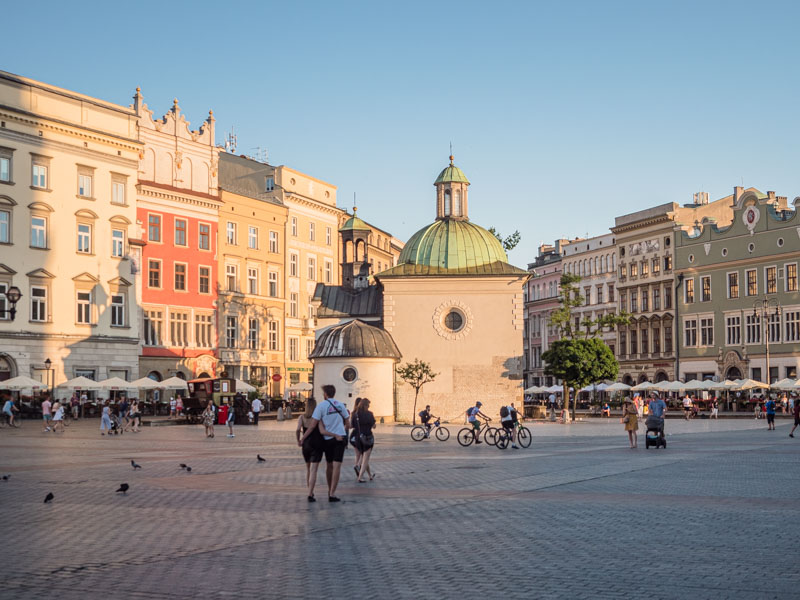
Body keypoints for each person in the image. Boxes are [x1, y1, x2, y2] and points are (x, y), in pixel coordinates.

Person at [298, 384, 350, 502]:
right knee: (337, 467)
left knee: (329, 465)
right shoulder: (341, 405)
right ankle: (332, 493)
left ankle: (328, 489)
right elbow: (348, 423)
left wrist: (303, 438)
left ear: (325, 394)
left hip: (327, 440)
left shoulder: (321, 406)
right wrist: (341, 430)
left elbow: (312, 426)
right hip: (340, 438)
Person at [296, 397, 324, 501]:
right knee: (313, 470)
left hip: (306, 444)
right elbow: (322, 431)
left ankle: (310, 491)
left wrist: (298, 440)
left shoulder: (301, 417)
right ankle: (310, 493)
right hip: (317, 444)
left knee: (308, 469)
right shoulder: (318, 418)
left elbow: (298, 429)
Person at [353, 398, 376, 482]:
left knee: (364, 457)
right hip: (367, 438)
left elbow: (352, 425)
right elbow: (373, 426)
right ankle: (360, 476)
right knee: (365, 458)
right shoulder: (370, 414)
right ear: (365, 405)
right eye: (368, 405)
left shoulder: (355, 414)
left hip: (358, 438)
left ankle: (370, 475)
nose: (369, 406)